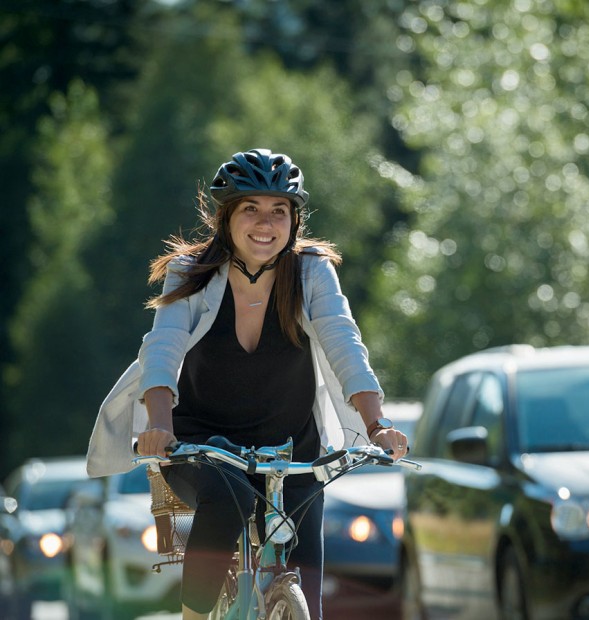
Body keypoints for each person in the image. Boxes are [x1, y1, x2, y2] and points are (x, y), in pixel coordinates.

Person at [86, 148, 408, 619]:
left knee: (308, 589)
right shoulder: (192, 272)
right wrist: (159, 426)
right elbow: (164, 347)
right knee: (228, 494)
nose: (266, 222)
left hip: (292, 445)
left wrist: (377, 424)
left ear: (294, 220)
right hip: (202, 444)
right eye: (250, 208)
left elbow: (344, 343)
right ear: (226, 217)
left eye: (279, 210)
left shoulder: (312, 271)